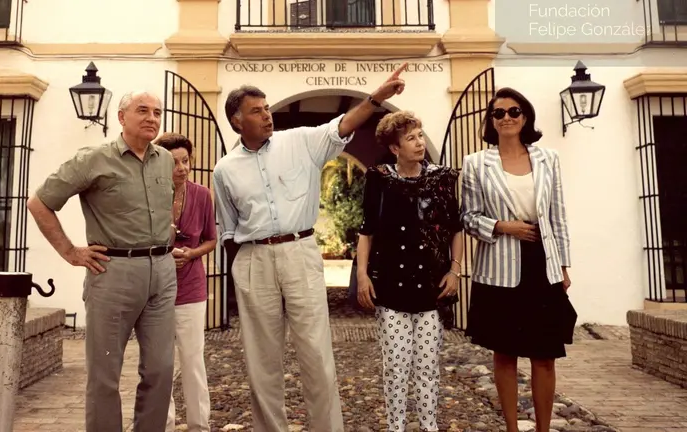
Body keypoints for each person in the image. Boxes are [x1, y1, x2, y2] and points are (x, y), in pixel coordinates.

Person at [212, 64, 409, 431]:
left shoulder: (300, 140)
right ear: (237, 122)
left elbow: (344, 125)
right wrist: (245, 263)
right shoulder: (224, 170)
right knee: (261, 359)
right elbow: (227, 227)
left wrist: (376, 98)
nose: (267, 115)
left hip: (299, 251)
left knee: (317, 353)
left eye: (267, 107)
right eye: (256, 111)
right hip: (253, 257)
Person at [27, 91, 178, 432]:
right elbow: (39, 203)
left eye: (157, 112)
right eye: (143, 110)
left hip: (163, 273)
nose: (152, 117)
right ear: (122, 117)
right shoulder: (92, 159)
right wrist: (70, 252)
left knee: (160, 368)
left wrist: (166, 237)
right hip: (113, 274)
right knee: (105, 376)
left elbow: (167, 202)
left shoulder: (165, 160)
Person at [460, 87, 576, 432]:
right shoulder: (476, 163)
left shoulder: (547, 158)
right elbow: (467, 217)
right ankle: (511, 428)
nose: (507, 118)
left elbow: (558, 215)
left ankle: (542, 428)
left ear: (525, 117)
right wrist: (501, 226)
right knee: (505, 353)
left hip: (543, 263)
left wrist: (564, 267)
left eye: (514, 111)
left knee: (545, 354)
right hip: (498, 267)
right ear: (491, 120)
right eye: (499, 113)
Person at [355, 111, 464, 432]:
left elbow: (455, 228)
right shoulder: (378, 179)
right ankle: (397, 427)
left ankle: (429, 427)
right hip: (391, 287)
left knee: (429, 366)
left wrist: (455, 270)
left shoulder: (442, 179)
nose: (419, 143)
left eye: (420, 135)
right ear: (395, 149)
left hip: (432, 287)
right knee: (396, 367)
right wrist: (363, 274)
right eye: (411, 138)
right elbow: (367, 231)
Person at [156, 133, 217, 432]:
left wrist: (192, 253)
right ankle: (164, 424)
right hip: (156, 291)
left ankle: (199, 426)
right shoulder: (150, 195)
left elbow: (212, 239)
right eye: (174, 162)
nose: (181, 168)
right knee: (160, 365)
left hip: (192, 290)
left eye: (185, 161)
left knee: (193, 362)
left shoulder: (203, 195)